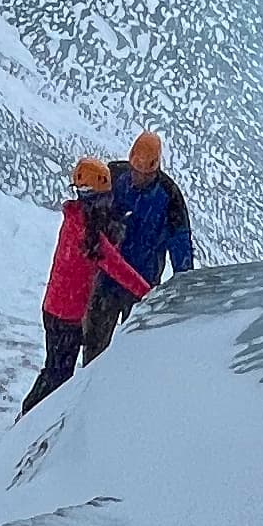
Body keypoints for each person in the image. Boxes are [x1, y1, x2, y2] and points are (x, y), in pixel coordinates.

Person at [20, 156, 149, 413]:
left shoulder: (76, 218)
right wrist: (149, 293)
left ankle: (29, 417)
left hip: (57, 308)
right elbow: (115, 266)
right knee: (59, 374)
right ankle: (29, 422)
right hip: (66, 314)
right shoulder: (87, 234)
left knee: (55, 369)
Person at [82, 129, 197, 361]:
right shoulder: (113, 176)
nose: (138, 177)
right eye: (136, 171)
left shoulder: (170, 196)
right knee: (94, 347)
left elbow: (180, 244)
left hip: (143, 286)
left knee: (134, 352)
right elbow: (86, 208)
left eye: (145, 174)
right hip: (107, 280)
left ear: (156, 169)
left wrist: (184, 286)